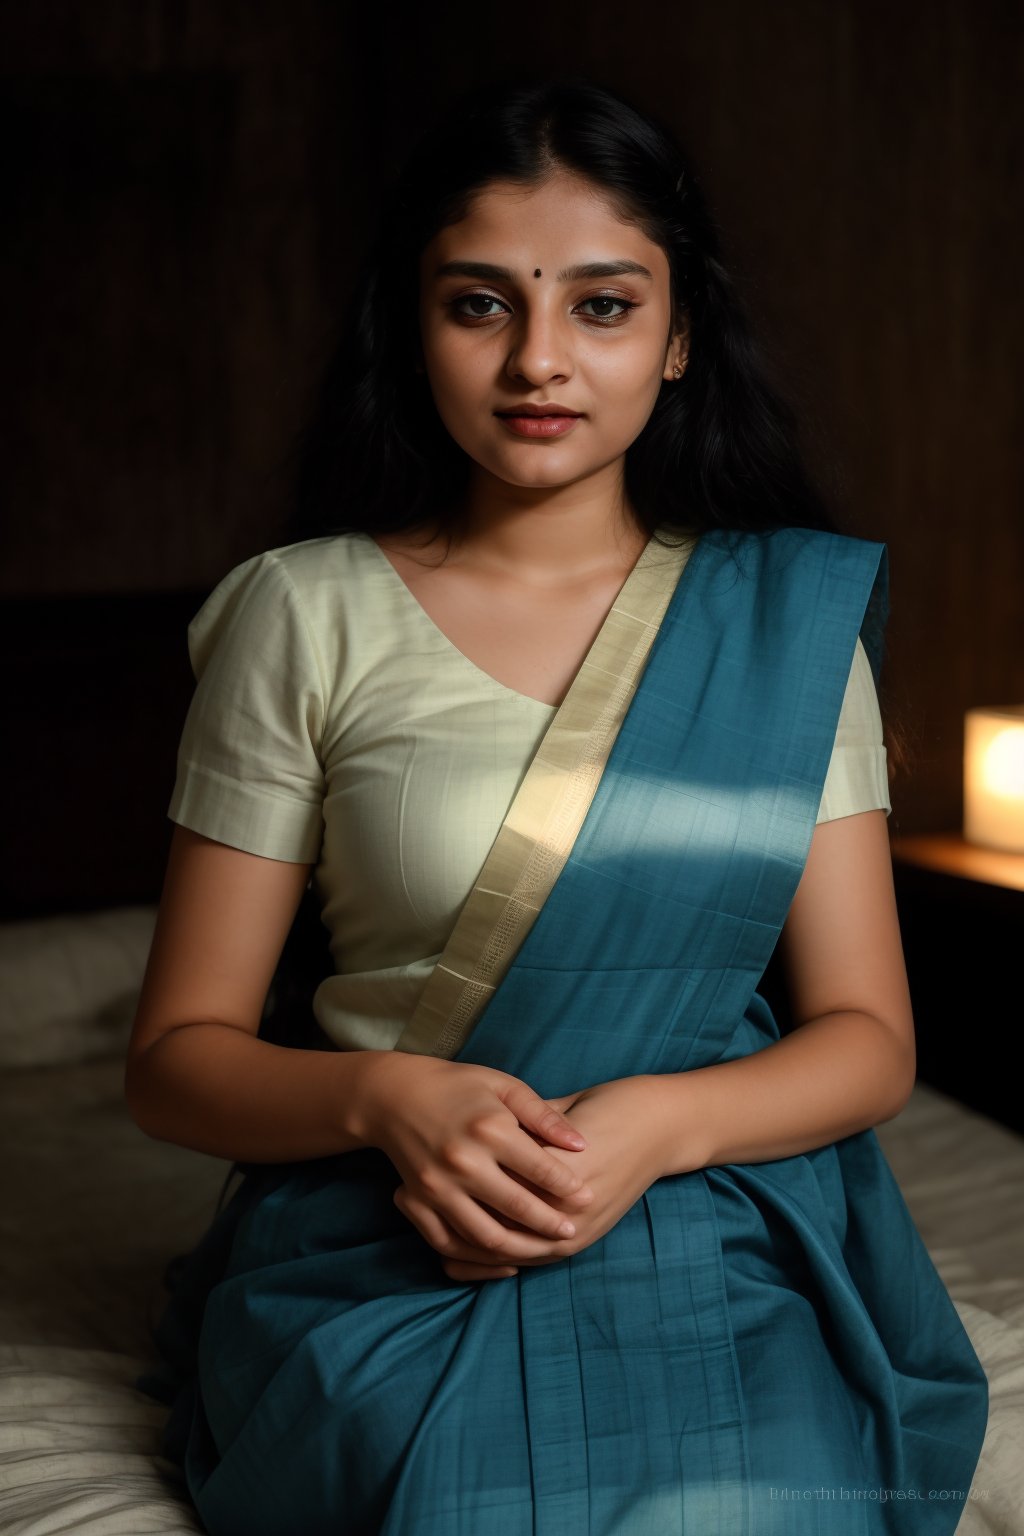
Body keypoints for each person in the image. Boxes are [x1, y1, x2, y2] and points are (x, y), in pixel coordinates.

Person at [128, 77, 988, 1535]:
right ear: (414, 326)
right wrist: (389, 1097)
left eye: (601, 305)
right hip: (385, 1222)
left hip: (710, 1207)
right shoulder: (304, 614)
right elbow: (174, 1060)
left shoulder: (781, 626)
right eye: (480, 306)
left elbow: (868, 1041)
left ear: (678, 338)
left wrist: (654, 1129)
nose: (539, 359)